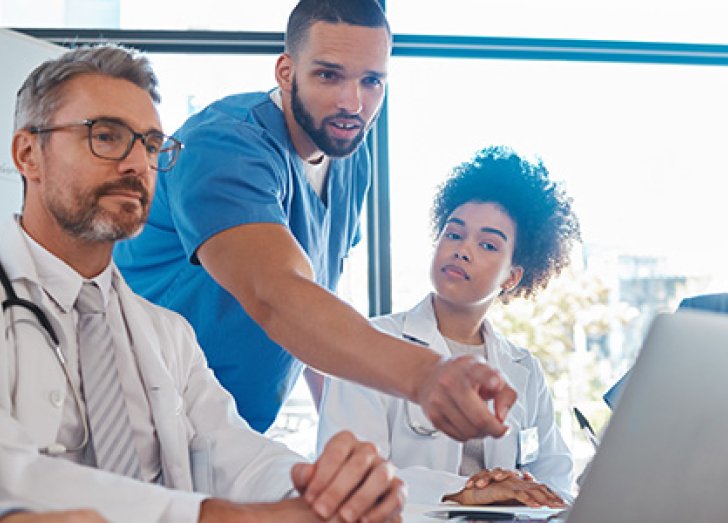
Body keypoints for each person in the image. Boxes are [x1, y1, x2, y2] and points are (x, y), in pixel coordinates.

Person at [0, 44, 404, 523]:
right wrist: (221, 516)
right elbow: (12, 476)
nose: (136, 165)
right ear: (29, 154)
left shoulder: (168, 335)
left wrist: (323, 489)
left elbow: (238, 455)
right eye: (106, 136)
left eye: (150, 145)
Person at [113, 0, 516, 440]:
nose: (352, 102)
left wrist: (349, 432)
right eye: (329, 75)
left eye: (371, 81)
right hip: (141, 420)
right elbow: (277, 293)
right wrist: (426, 376)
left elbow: (315, 300)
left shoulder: (347, 156)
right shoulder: (223, 146)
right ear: (285, 72)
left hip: (230, 435)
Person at [318, 146, 580, 507]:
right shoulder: (372, 342)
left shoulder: (524, 370)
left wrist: (524, 488)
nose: (462, 250)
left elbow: (557, 476)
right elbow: (349, 475)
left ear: (512, 277)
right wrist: (465, 491)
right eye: (454, 235)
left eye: (487, 244)